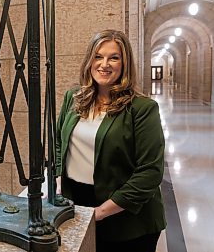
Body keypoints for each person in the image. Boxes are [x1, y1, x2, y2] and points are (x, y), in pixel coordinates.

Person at [54, 29, 166, 252]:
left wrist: (100, 212)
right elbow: (59, 144)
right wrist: (58, 184)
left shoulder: (142, 109)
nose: (104, 64)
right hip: (78, 202)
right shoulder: (74, 98)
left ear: (124, 64)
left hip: (126, 215)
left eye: (113, 57)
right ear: (89, 60)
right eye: (98, 56)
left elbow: (150, 172)